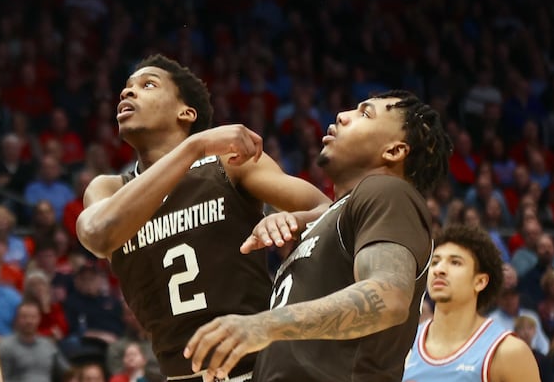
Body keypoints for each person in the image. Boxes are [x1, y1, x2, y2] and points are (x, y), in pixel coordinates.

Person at [77, 55, 331, 381]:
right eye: (126, 89)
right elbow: (98, 235)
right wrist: (194, 146)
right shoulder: (107, 189)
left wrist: (292, 221)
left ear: (186, 113)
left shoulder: (228, 163)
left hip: (262, 370)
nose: (127, 93)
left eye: (147, 84)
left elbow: (330, 212)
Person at [185, 91, 451, 382]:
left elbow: (388, 297)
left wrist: (264, 325)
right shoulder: (334, 216)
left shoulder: (388, 192)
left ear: (394, 151)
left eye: (365, 114)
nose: (343, 115)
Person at [402, 225, 540, 382]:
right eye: (435, 262)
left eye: (455, 262)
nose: (439, 269)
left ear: (480, 281)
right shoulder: (405, 344)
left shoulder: (509, 351)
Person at [0, 302, 68, 382]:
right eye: (24, 317)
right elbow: (2, 378)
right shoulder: (6, 346)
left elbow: (67, 372)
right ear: (17, 319)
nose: (29, 321)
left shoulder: (48, 345)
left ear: (39, 319)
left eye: (33, 317)